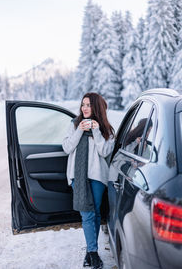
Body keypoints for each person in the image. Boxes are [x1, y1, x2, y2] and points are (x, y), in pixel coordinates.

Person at [62, 92, 115, 269]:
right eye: (83, 104)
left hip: (97, 177)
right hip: (78, 175)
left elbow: (105, 152)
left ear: (96, 107)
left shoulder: (106, 129)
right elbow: (67, 147)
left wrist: (96, 130)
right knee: (87, 213)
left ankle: (89, 252)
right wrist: (80, 130)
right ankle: (93, 252)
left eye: (89, 105)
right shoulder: (74, 124)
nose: (84, 108)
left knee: (96, 213)